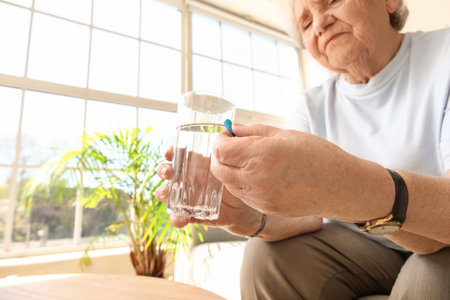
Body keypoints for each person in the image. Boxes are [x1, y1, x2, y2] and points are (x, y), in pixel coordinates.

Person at [156, 0, 450, 298]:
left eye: (332, 1)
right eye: (306, 23)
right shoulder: (312, 104)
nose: (320, 24)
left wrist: (340, 182)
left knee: (430, 277)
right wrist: (248, 217)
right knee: (265, 259)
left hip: (440, 238)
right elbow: (306, 216)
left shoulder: (444, 54)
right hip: (361, 248)